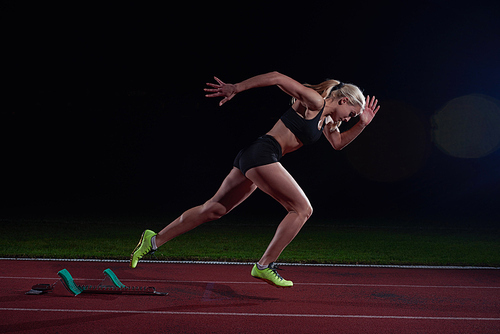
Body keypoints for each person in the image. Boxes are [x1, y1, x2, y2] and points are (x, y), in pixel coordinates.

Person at [129, 71, 380, 288]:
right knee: (302, 209)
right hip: (263, 153)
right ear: (344, 100)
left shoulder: (327, 121)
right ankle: (265, 264)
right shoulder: (314, 101)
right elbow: (276, 77)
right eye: (351, 114)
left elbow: (337, 144)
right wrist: (236, 88)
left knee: (213, 209)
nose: (349, 119)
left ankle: (153, 239)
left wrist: (362, 125)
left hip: (255, 155)